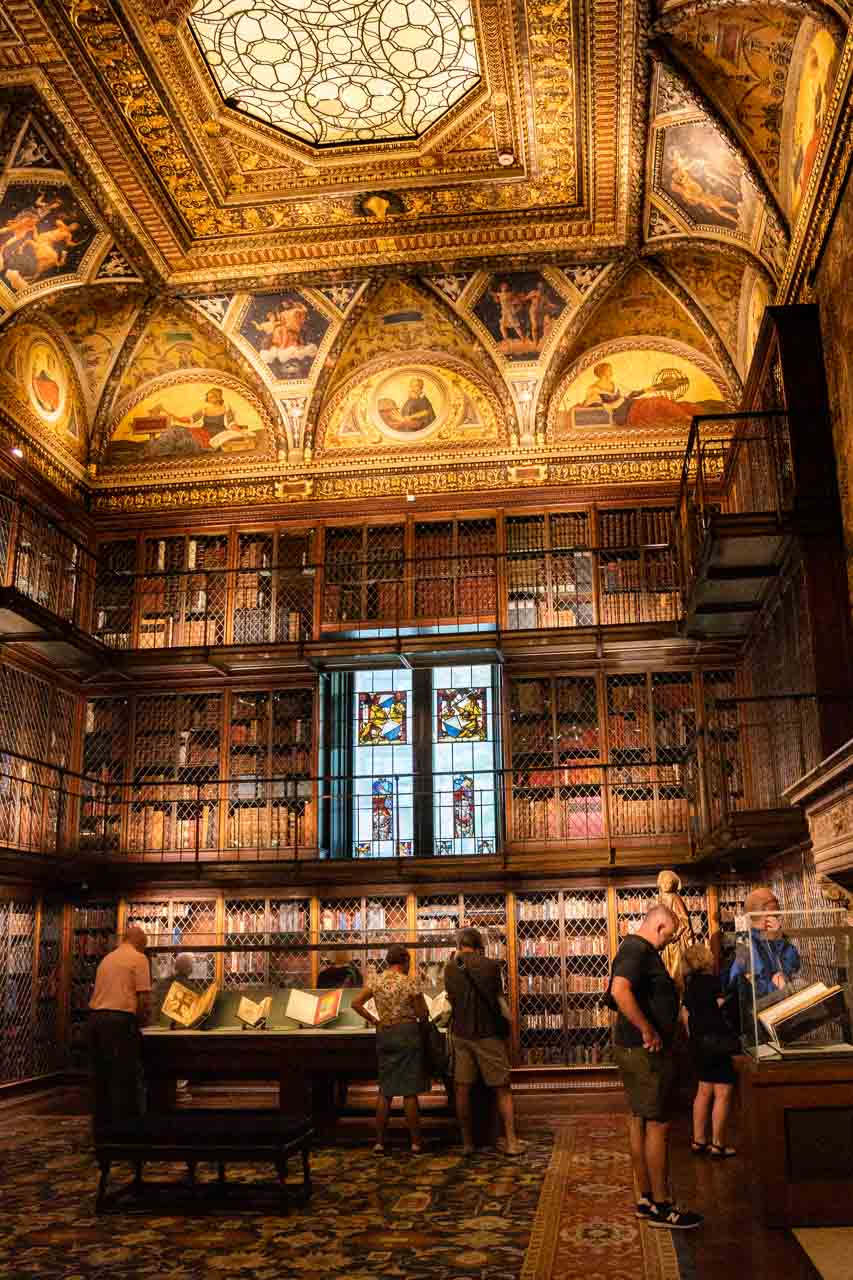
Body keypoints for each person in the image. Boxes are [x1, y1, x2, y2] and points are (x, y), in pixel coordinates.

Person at [610, 904, 703, 1230]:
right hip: (645, 1052)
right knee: (658, 1123)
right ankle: (662, 1206)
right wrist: (647, 1029)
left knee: (640, 1119)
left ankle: (647, 1198)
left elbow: (620, 995)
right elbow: (618, 992)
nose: (669, 943)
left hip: (635, 1049)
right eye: (670, 936)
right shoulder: (638, 949)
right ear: (660, 927)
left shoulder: (632, 948)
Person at [443, 927, 524, 1157]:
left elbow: (451, 998)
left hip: (461, 1034)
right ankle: (510, 1141)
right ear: (479, 944)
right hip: (488, 1033)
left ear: (459, 945)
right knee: (502, 1088)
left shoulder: (449, 968)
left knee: (462, 1088)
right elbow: (497, 998)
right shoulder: (491, 966)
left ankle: (467, 1142)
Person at [352, 944, 430, 1154]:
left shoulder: (376, 981)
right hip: (406, 1033)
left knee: (385, 1090)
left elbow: (356, 1003)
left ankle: (379, 1142)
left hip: (385, 1033)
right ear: (404, 961)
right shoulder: (409, 981)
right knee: (409, 1091)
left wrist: (375, 1020)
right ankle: (415, 1142)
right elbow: (423, 1014)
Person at [88, 925, 152, 1131]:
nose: (145, 949)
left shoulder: (107, 959)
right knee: (125, 1074)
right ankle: (127, 1127)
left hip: (96, 1020)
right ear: (140, 942)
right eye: (145, 945)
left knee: (102, 1075)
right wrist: (143, 1023)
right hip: (120, 1020)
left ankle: (102, 1126)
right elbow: (142, 997)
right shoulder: (139, 958)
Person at [681, 943, 737, 1158]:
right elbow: (719, 1007)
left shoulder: (690, 984)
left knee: (703, 1090)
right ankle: (718, 1144)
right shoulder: (713, 982)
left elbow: (686, 1014)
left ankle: (698, 1140)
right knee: (722, 1092)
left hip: (698, 1044)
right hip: (717, 1041)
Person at [727, 888, 800, 999]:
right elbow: (744, 985)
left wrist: (779, 938)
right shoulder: (746, 943)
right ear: (767, 914)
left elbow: (794, 965)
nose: (778, 918)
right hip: (763, 1007)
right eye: (775, 914)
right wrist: (775, 986)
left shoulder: (772, 936)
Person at [657, 869, 695, 988]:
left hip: (674, 943)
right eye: (663, 882)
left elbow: (684, 920)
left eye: (669, 882)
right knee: (666, 972)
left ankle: (679, 999)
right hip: (664, 942)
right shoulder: (659, 898)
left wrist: (676, 935)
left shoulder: (674, 897)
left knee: (676, 973)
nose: (665, 885)